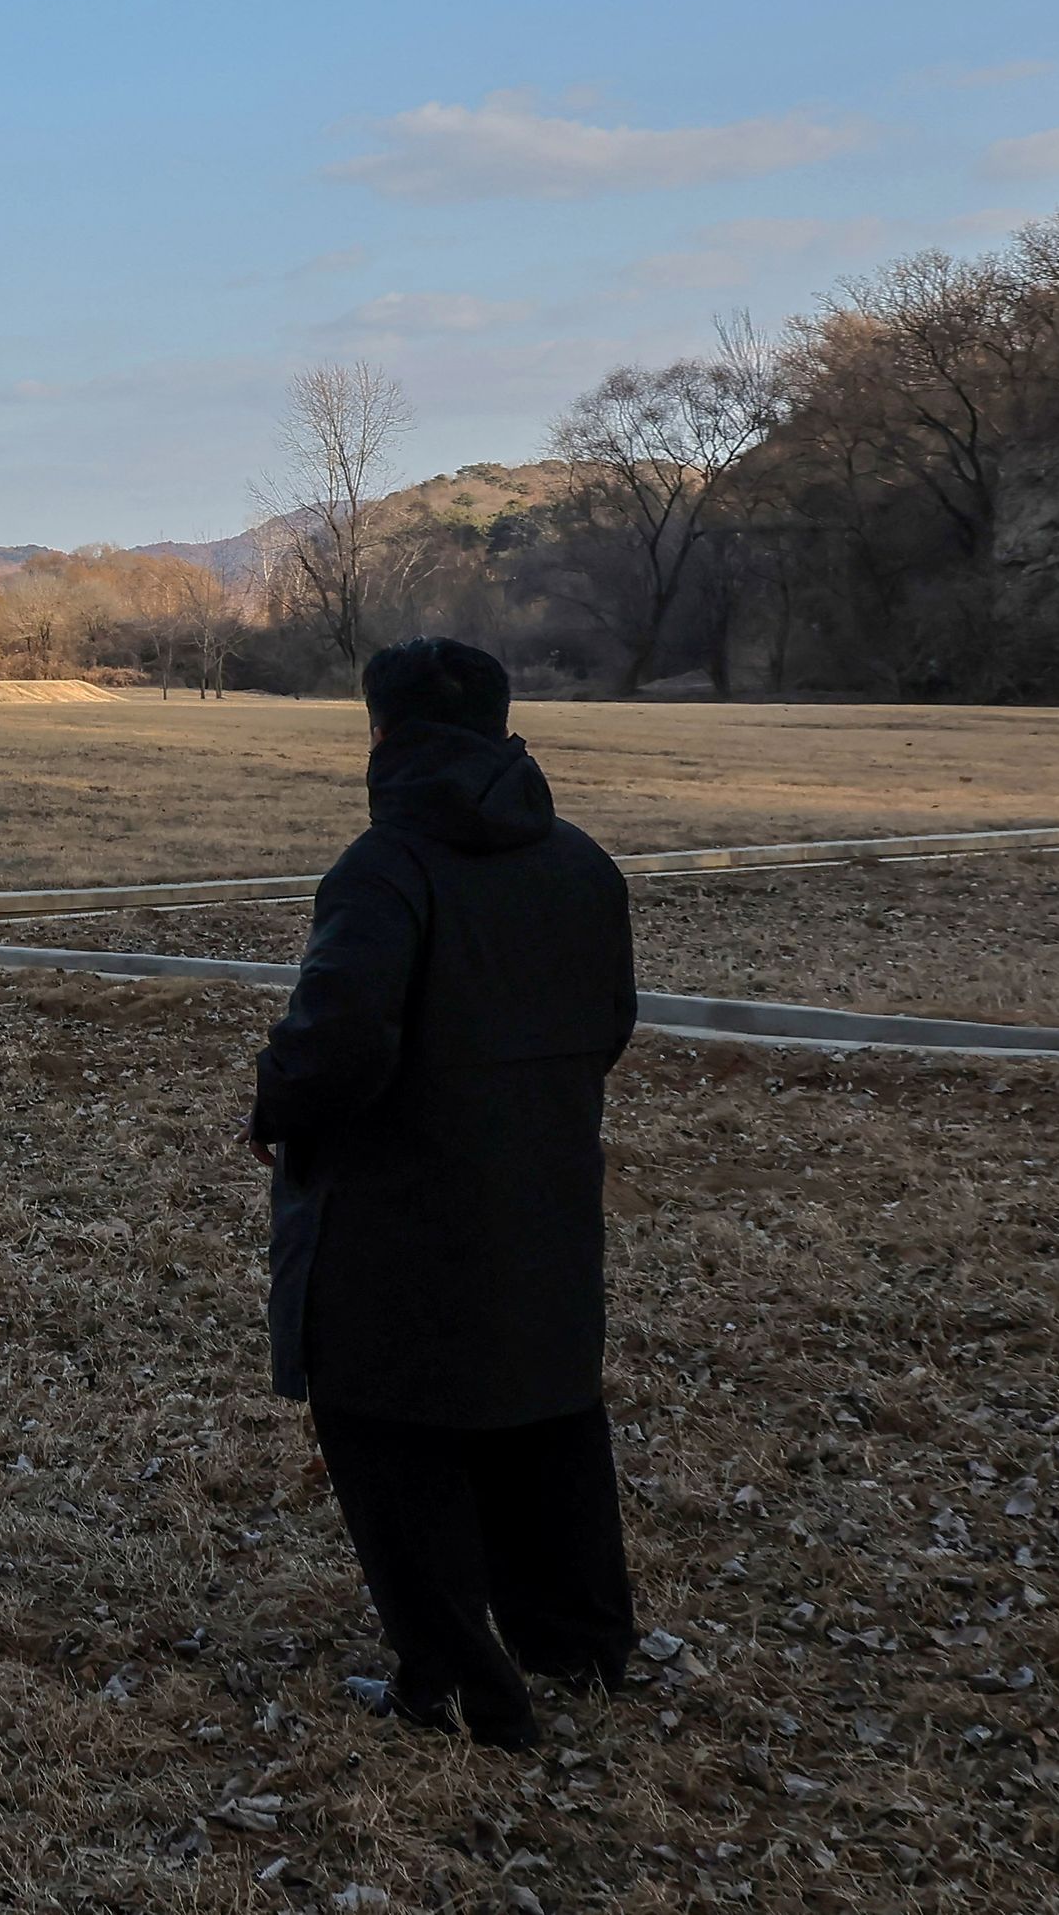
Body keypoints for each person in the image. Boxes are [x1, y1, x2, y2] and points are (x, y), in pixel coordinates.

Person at [246, 636, 640, 1750]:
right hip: (547, 1195)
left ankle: (458, 1684)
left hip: (394, 1213)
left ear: (382, 733)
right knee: (545, 1409)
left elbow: (339, 1043)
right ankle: (581, 1642)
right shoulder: (584, 865)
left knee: (387, 1428)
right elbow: (608, 1024)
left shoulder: (385, 868)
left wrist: (276, 1104)